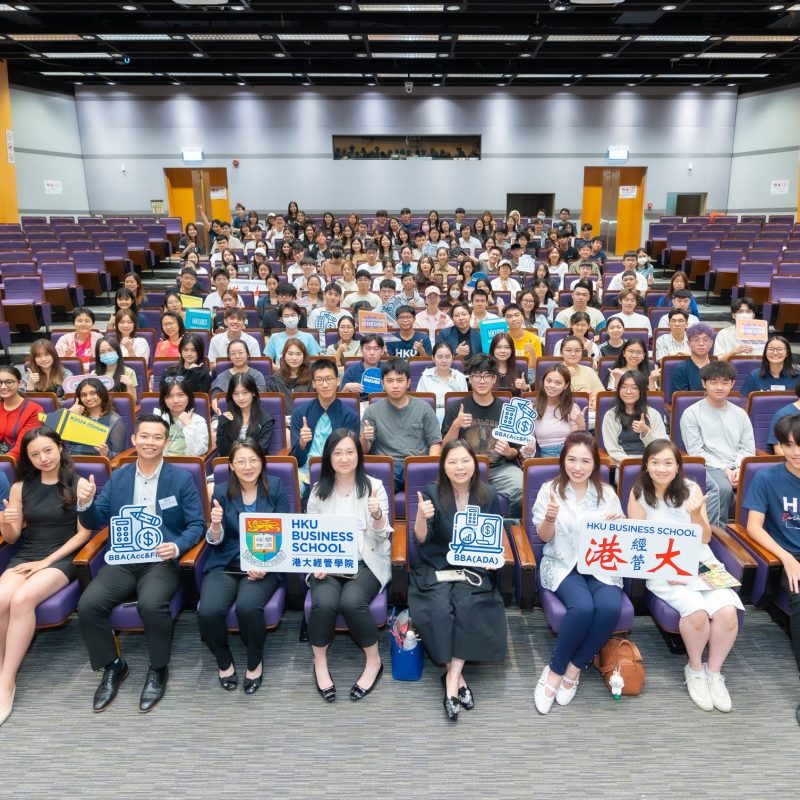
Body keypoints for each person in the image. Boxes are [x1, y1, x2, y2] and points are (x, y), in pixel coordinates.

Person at [76, 414, 205, 713]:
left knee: (151, 604)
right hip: (124, 560)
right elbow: (97, 521)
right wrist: (86, 503)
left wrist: (177, 546)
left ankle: (158, 668)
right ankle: (113, 665)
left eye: (157, 437)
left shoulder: (180, 478)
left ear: (165, 442)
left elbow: (196, 524)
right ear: (134, 440)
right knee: (89, 604)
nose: (150, 442)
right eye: (144, 436)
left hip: (160, 561)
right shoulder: (119, 476)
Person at [628, 439, 741, 712]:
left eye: (668, 463)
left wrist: (695, 515)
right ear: (646, 465)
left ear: (678, 466)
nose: (661, 468)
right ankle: (695, 670)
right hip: (662, 567)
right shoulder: (639, 492)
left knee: (727, 612)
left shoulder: (692, 490)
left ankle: (714, 672)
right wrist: (674, 568)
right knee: (697, 613)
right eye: (655, 462)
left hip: (700, 562)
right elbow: (638, 540)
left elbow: (705, 537)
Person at [410, 440, 507, 721]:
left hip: (473, 566)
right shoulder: (430, 492)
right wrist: (419, 517)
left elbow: (496, 536)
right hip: (437, 563)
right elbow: (420, 539)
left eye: (464, 461)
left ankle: (451, 679)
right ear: (444, 467)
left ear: (474, 463)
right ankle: (458, 677)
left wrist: (494, 557)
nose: (459, 467)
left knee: (467, 604)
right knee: (439, 607)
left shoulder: (488, 494)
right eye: (452, 462)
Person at [0, 428, 91, 725]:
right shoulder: (19, 487)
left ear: (60, 447)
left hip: (60, 558)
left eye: (48, 450)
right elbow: (12, 538)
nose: (43, 458)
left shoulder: (77, 483)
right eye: (35, 454)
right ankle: (2, 668)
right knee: (2, 599)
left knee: (23, 599)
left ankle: (7, 681)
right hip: (28, 553)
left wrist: (46, 562)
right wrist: (6, 522)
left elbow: (84, 533)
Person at [531, 431, 625, 715]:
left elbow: (620, 540)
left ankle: (576, 667)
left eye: (585, 461)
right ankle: (555, 671)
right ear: (563, 460)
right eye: (572, 459)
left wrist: (619, 524)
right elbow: (544, 537)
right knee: (582, 608)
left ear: (595, 463)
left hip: (599, 564)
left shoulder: (607, 494)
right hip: (563, 563)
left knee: (609, 607)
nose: (578, 467)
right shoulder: (550, 489)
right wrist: (549, 518)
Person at [306, 430, 391, 703]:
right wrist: (318, 562)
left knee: (352, 602)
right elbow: (310, 535)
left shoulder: (374, 486)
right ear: (329, 457)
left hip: (365, 562)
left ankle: (374, 661)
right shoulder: (318, 492)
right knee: (325, 602)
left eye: (350, 452)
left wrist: (377, 515)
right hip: (328, 564)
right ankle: (319, 662)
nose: (344, 458)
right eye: (337, 453)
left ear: (359, 454)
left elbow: (382, 536)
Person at [199, 439, 289, 695]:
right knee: (209, 610)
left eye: (253, 460)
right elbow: (216, 540)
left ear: (262, 462)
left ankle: (254, 661)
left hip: (266, 562)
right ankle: (224, 660)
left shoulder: (276, 488)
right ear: (231, 465)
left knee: (249, 607)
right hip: (227, 562)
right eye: (241, 461)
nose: (248, 467)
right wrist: (215, 526)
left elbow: (286, 532)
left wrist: (265, 564)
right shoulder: (221, 492)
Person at [743, 413, 800, 725]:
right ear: (778, 447)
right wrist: (788, 558)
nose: (796, 452)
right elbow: (754, 527)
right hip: (789, 560)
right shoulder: (767, 478)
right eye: (788, 445)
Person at [441, 354, 524, 516]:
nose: (482, 381)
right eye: (477, 376)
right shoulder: (457, 407)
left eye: (487, 376)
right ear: (470, 379)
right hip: (465, 468)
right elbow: (445, 447)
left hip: (499, 468)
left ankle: (510, 527)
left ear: (494, 379)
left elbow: (516, 451)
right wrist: (456, 426)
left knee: (522, 485)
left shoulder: (507, 410)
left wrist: (508, 452)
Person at [680, 361, 756, 527]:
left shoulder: (740, 414)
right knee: (722, 488)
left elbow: (747, 448)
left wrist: (738, 468)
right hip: (708, 465)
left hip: (736, 467)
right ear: (704, 383)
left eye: (725, 382)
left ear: (732, 384)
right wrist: (725, 469)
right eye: (714, 382)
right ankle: (715, 534)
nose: (719, 387)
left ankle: (748, 534)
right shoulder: (691, 413)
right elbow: (696, 452)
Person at [361, 359, 442, 491]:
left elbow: (435, 443)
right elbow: (364, 450)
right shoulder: (372, 411)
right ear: (382, 383)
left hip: (415, 464)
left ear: (408, 383)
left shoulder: (424, 408)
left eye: (399, 380)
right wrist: (364, 438)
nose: (395, 386)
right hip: (387, 466)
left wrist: (429, 468)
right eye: (390, 381)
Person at [290, 358, 360, 499]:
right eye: (320, 380)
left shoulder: (349, 415)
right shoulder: (300, 413)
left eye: (329, 379)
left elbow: (353, 454)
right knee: (292, 485)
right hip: (306, 469)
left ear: (338, 381)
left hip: (338, 468)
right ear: (314, 384)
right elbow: (295, 458)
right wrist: (302, 443)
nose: (325, 385)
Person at [601, 370, 667, 466]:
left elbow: (662, 447)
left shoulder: (653, 414)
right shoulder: (611, 416)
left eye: (634, 388)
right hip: (623, 465)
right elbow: (613, 449)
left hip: (652, 463)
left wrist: (646, 431)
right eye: (623, 387)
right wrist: (631, 465)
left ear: (642, 391)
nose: (628, 391)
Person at [530, 364, 585, 457]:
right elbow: (529, 441)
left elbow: (578, 442)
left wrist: (581, 424)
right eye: (549, 381)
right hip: (544, 455)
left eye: (558, 383)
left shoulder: (572, 407)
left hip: (569, 453)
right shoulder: (532, 408)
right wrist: (528, 449)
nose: (552, 386)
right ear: (543, 382)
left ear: (566, 385)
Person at [214, 373, 274, 458]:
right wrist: (221, 427)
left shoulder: (266, 420)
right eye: (236, 393)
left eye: (245, 392)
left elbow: (261, 450)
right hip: (232, 464)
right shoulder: (227, 417)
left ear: (253, 393)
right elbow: (223, 451)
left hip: (254, 464)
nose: (240, 398)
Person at [68, 378, 127, 460]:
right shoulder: (74, 415)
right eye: (83, 395)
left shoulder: (114, 420)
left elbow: (118, 455)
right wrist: (69, 414)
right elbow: (60, 442)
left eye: (92, 393)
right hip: (71, 462)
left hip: (98, 464)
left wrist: (106, 453)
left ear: (102, 394)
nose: (88, 398)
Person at [0, 367, 45, 462]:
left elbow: (22, 445)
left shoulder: (34, 410)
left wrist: (5, 462)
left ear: (19, 383)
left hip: (19, 460)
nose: (3, 386)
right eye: (0, 382)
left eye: (9, 382)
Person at [417, 341, 469, 423]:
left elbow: (465, 405)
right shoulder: (425, 378)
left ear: (452, 358)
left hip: (455, 419)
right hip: (429, 419)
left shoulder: (460, 377)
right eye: (440, 357)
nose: (444, 361)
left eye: (448, 357)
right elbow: (419, 405)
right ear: (433, 358)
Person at [155, 378, 209, 457]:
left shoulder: (198, 421)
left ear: (188, 397)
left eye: (180, 395)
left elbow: (197, 452)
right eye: (170, 396)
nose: (176, 400)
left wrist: (189, 425)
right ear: (164, 399)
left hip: (186, 465)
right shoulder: (158, 420)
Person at [667, 323, 715, 402]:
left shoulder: (719, 368)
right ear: (688, 344)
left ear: (711, 343)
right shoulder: (681, 369)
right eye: (696, 340)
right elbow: (680, 402)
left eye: (705, 340)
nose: (701, 344)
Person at [266, 339, 313, 413]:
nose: (294, 358)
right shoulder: (275, 379)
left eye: (298, 354)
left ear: (304, 357)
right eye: (290, 354)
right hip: (282, 422)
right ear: (284, 356)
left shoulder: (312, 378)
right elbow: (271, 408)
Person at [20, 339, 73, 404]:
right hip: (35, 412)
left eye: (47, 354)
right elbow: (25, 402)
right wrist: (31, 384)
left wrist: (48, 404)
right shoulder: (27, 376)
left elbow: (68, 401)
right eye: (38, 356)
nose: (43, 359)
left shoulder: (66, 374)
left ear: (54, 355)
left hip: (60, 411)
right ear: (34, 359)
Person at [560, 335, 604, 410]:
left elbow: (601, 396)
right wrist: (563, 376)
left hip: (587, 413)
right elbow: (549, 398)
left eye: (577, 350)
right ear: (561, 352)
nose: (573, 354)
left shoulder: (589, 371)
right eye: (568, 350)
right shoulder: (553, 372)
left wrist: (596, 402)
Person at [339, 333, 385, 403]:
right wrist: (347, 388)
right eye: (368, 349)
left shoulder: (389, 370)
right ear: (361, 350)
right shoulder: (352, 370)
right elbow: (342, 401)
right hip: (358, 407)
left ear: (382, 351)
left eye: (376, 349)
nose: (372, 353)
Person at [93, 336, 137, 401]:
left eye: (110, 350)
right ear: (98, 356)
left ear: (117, 351)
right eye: (102, 352)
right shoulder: (94, 374)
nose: (107, 354)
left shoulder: (129, 372)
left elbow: (133, 402)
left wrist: (130, 385)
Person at [503, 304, 542, 373]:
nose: (514, 319)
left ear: (522, 317)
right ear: (505, 320)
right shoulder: (502, 339)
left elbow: (535, 369)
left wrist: (532, 352)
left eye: (516, 315)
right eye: (509, 316)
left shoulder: (534, 339)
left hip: (527, 375)